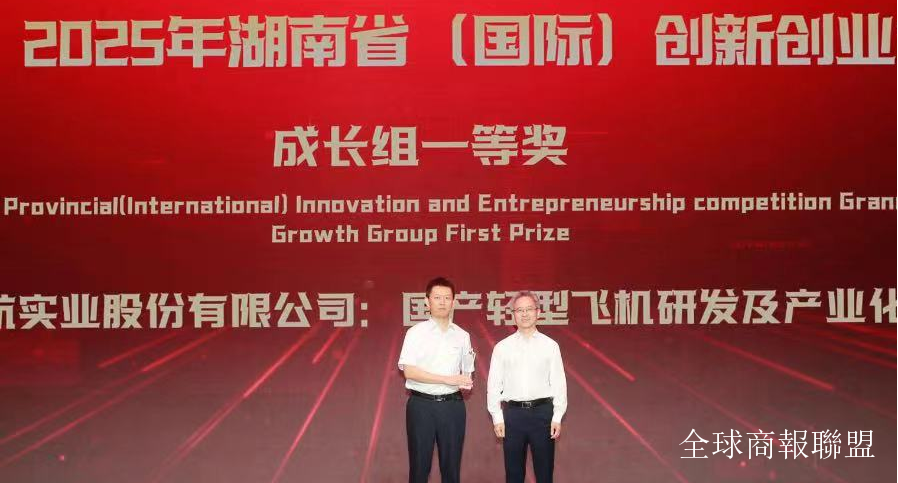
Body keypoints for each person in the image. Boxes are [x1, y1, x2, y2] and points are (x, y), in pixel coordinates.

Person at [398, 277, 475, 483]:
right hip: (421, 406)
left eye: (447, 298)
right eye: (437, 298)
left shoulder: (462, 335)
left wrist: (465, 382)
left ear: (454, 302)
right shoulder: (415, 333)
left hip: (452, 406)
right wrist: (446, 379)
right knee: (419, 468)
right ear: (427, 301)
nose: (442, 302)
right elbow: (409, 371)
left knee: (451, 469)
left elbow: (467, 370)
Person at [487, 290, 568, 483]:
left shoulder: (550, 346)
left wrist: (557, 416)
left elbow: (559, 383)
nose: (524, 314)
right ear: (513, 315)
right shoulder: (502, 347)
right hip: (513, 416)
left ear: (538, 312)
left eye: (529, 309)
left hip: (543, 414)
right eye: (519, 310)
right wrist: (497, 417)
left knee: (544, 473)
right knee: (514, 474)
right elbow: (494, 384)